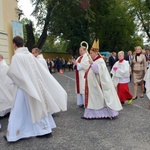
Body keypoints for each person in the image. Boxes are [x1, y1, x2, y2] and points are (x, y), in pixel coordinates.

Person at [5, 36, 67, 142]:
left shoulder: (17, 56)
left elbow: (14, 73)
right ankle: (44, 129)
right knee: (37, 106)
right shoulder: (29, 55)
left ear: (14, 44)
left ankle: (15, 134)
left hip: (22, 86)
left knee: (19, 109)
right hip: (34, 85)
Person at [82, 40, 122, 119]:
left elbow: (98, 71)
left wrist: (92, 64)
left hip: (98, 84)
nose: (90, 55)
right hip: (93, 84)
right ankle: (90, 114)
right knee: (93, 99)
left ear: (96, 53)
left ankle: (107, 113)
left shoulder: (100, 60)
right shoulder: (95, 60)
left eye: (91, 53)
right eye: (90, 53)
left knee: (98, 99)